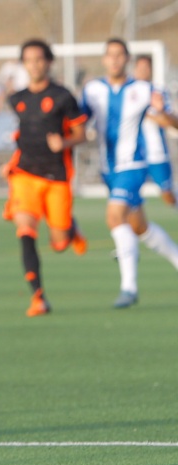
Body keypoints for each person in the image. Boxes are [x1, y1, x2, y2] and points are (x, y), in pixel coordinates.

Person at [81, 38, 178, 308]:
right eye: (109, 55)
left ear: (127, 59)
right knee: (139, 227)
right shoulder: (92, 90)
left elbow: (173, 122)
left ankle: (129, 288)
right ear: (103, 59)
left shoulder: (145, 90)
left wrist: (163, 113)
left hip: (133, 165)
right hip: (107, 169)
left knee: (115, 217)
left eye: (119, 55)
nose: (114, 60)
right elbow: (78, 123)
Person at [1, 39, 88, 317]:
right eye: (29, 60)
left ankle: (70, 230)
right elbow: (22, 137)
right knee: (25, 232)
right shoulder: (17, 99)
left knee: (59, 244)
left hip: (56, 177)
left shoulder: (63, 96)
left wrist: (63, 143)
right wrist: (11, 163)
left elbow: (81, 134)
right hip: (24, 175)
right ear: (23, 64)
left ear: (49, 62)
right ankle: (38, 297)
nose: (34, 65)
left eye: (39, 59)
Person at [132, 54, 178, 208]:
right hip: (131, 155)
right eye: (140, 68)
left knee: (167, 195)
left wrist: (154, 115)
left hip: (156, 153)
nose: (142, 71)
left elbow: (172, 123)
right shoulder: (127, 91)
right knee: (129, 200)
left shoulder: (158, 92)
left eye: (146, 68)